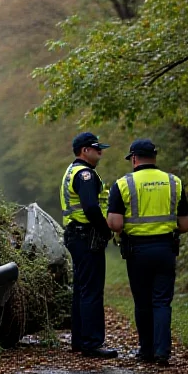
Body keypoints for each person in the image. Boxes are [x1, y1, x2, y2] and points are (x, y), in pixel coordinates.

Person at [106, 139, 188, 366]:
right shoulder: (174, 182)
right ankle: (163, 352)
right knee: (162, 301)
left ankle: (146, 350)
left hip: (137, 251)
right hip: (165, 249)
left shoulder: (123, 184)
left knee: (143, 301)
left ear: (134, 158)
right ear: (155, 157)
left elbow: (114, 223)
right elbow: (184, 225)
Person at [61, 132, 117, 358]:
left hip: (77, 235)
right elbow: (91, 207)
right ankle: (92, 343)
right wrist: (105, 229)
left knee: (82, 289)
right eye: (96, 148)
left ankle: (79, 340)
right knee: (92, 290)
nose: (100, 151)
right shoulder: (85, 174)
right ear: (85, 150)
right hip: (86, 236)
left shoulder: (71, 171)